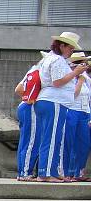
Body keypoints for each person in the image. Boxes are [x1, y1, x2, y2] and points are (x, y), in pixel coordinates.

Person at [34, 32, 87, 182]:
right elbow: (57, 82)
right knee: (51, 138)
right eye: (71, 48)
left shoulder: (50, 59)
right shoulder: (57, 60)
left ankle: (48, 171)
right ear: (62, 45)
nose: (72, 51)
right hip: (54, 101)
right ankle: (46, 173)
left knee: (49, 137)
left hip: (47, 101)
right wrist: (75, 72)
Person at [13, 54, 45, 181]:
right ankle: (26, 172)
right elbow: (19, 90)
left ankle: (22, 171)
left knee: (25, 142)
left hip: (24, 105)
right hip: (31, 106)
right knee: (32, 141)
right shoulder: (40, 73)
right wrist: (33, 98)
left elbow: (19, 89)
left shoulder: (32, 70)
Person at [65, 52, 90, 182]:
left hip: (85, 112)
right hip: (71, 111)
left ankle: (79, 171)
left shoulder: (86, 78)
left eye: (85, 63)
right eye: (82, 63)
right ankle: (67, 172)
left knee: (85, 143)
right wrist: (79, 82)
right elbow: (72, 96)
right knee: (70, 142)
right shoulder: (69, 77)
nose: (85, 66)